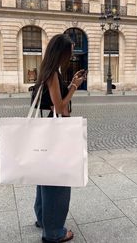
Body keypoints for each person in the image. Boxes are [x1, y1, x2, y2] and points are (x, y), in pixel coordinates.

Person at [33, 34, 85, 243]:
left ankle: (43, 219)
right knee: (58, 179)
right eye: (69, 52)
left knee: (44, 176)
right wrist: (74, 87)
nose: (71, 56)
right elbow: (60, 107)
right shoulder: (52, 74)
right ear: (61, 52)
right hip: (58, 130)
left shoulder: (46, 71)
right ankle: (54, 232)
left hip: (48, 128)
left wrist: (71, 82)